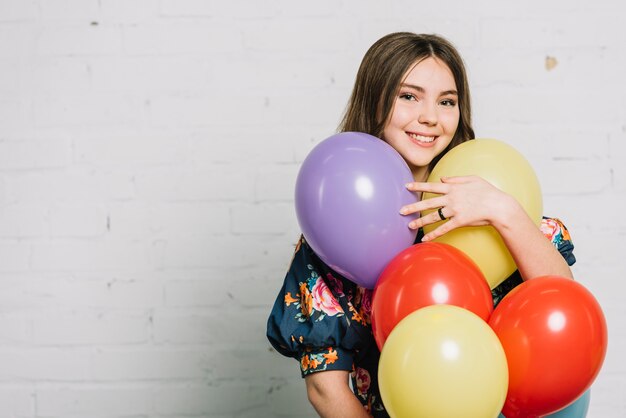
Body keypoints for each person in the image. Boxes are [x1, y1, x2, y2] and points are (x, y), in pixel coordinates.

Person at [266, 32, 576, 418]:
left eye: (447, 101)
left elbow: (564, 309)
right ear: (375, 100)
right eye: (408, 96)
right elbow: (325, 389)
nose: (430, 116)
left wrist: (504, 212)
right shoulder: (336, 229)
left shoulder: (495, 193)